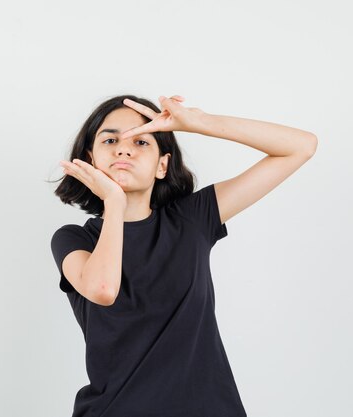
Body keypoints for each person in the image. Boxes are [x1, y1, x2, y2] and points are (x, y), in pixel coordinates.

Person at [49, 94, 317, 417]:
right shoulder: (74, 239)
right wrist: (114, 204)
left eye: (141, 142)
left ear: (162, 165)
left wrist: (200, 122)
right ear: (91, 160)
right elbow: (104, 289)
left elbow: (301, 146)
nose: (123, 148)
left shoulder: (192, 219)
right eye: (110, 140)